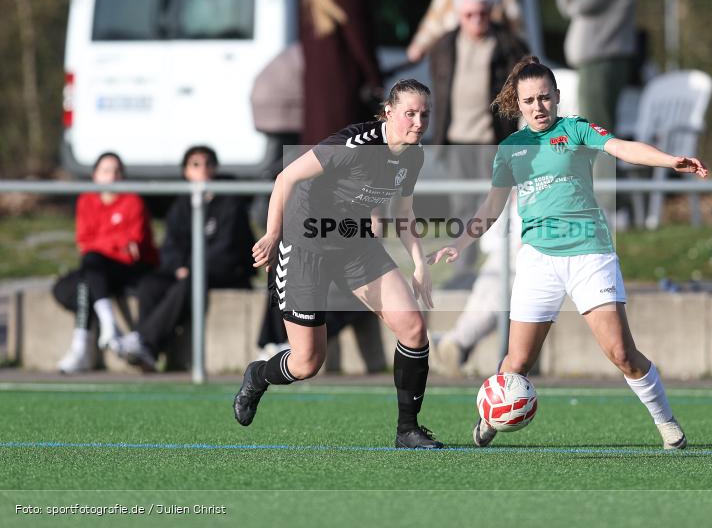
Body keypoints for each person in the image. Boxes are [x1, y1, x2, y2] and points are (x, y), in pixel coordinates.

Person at [429, 56, 707, 449]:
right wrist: (459, 243)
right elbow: (491, 206)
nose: (538, 107)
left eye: (544, 97)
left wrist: (669, 160)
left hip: (589, 254)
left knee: (621, 353)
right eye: (529, 100)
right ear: (518, 104)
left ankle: (666, 422)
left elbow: (621, 147)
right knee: (516, 363)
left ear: (557, 96)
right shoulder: (511, 149)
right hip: (538, 261)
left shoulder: (575, 129)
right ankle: (493, 414)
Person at [233, 79, 443, 450]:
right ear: (388, 112)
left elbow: (403, 212)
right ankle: (259, 375)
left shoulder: (414, 155)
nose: (418, 122)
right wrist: (272, 235)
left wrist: (419, 264)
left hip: (354, 244)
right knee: (307, 362)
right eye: (409, 113)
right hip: (304, 246)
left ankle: (407, 430)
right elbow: (286, 177)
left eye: (424, 114)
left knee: (412, 328)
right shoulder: (354, 145)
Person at [111, 146, 256, 369]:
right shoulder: (181, 205)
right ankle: (147, 352)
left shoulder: (230, 202)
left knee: (190, 283)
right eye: (195, 164)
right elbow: (171, 245)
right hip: (188, 270)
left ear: (215, 168)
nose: (203, 169)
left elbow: (226, 249)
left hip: (226, 272)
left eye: (208, 164)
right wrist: (179, 266)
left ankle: (145, 341)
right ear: (186, 171)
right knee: (150, 285)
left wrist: (192, 268)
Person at [429, 0, 528, 286]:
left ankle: (494, 272)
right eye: (469, 14)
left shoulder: (508, 45)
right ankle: (463, 269)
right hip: (456, 138)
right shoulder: (444, 45)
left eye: (482, 14)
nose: (476, 20)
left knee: (493, 204)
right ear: (459, 15)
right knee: (461, 205)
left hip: (492, 139)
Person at [53, 152, 158, 373]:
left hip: (130, 270)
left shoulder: (132, 201)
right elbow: (84, 242)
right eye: (106, 171)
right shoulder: (86, 201)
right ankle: (107, 329)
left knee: (90, 268)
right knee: (75, 281)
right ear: (95, 175)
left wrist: (102, 244)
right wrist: (114, 243)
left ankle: (83, 347)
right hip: (98, 270)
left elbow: (132, 247)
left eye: (117, 171)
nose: (112, 176)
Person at [299, 0, 381, 146]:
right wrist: (375, 78)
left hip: (317, 86)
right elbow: (359, 42)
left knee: (319, 149)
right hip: (344, 86)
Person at [556, 0, 636, 130]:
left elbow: (583, 4)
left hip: (602, 60)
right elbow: (567, 7)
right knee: (592, 134)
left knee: (597, 135)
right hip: (594, 61)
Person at [430, 200, 521, 377]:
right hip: (499, 256)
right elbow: (488, 242)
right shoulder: (506, 202)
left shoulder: (540, 195)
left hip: (524, 257)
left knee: (493, 303)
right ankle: (453, 343)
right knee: (479, 299)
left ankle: (453, 342)